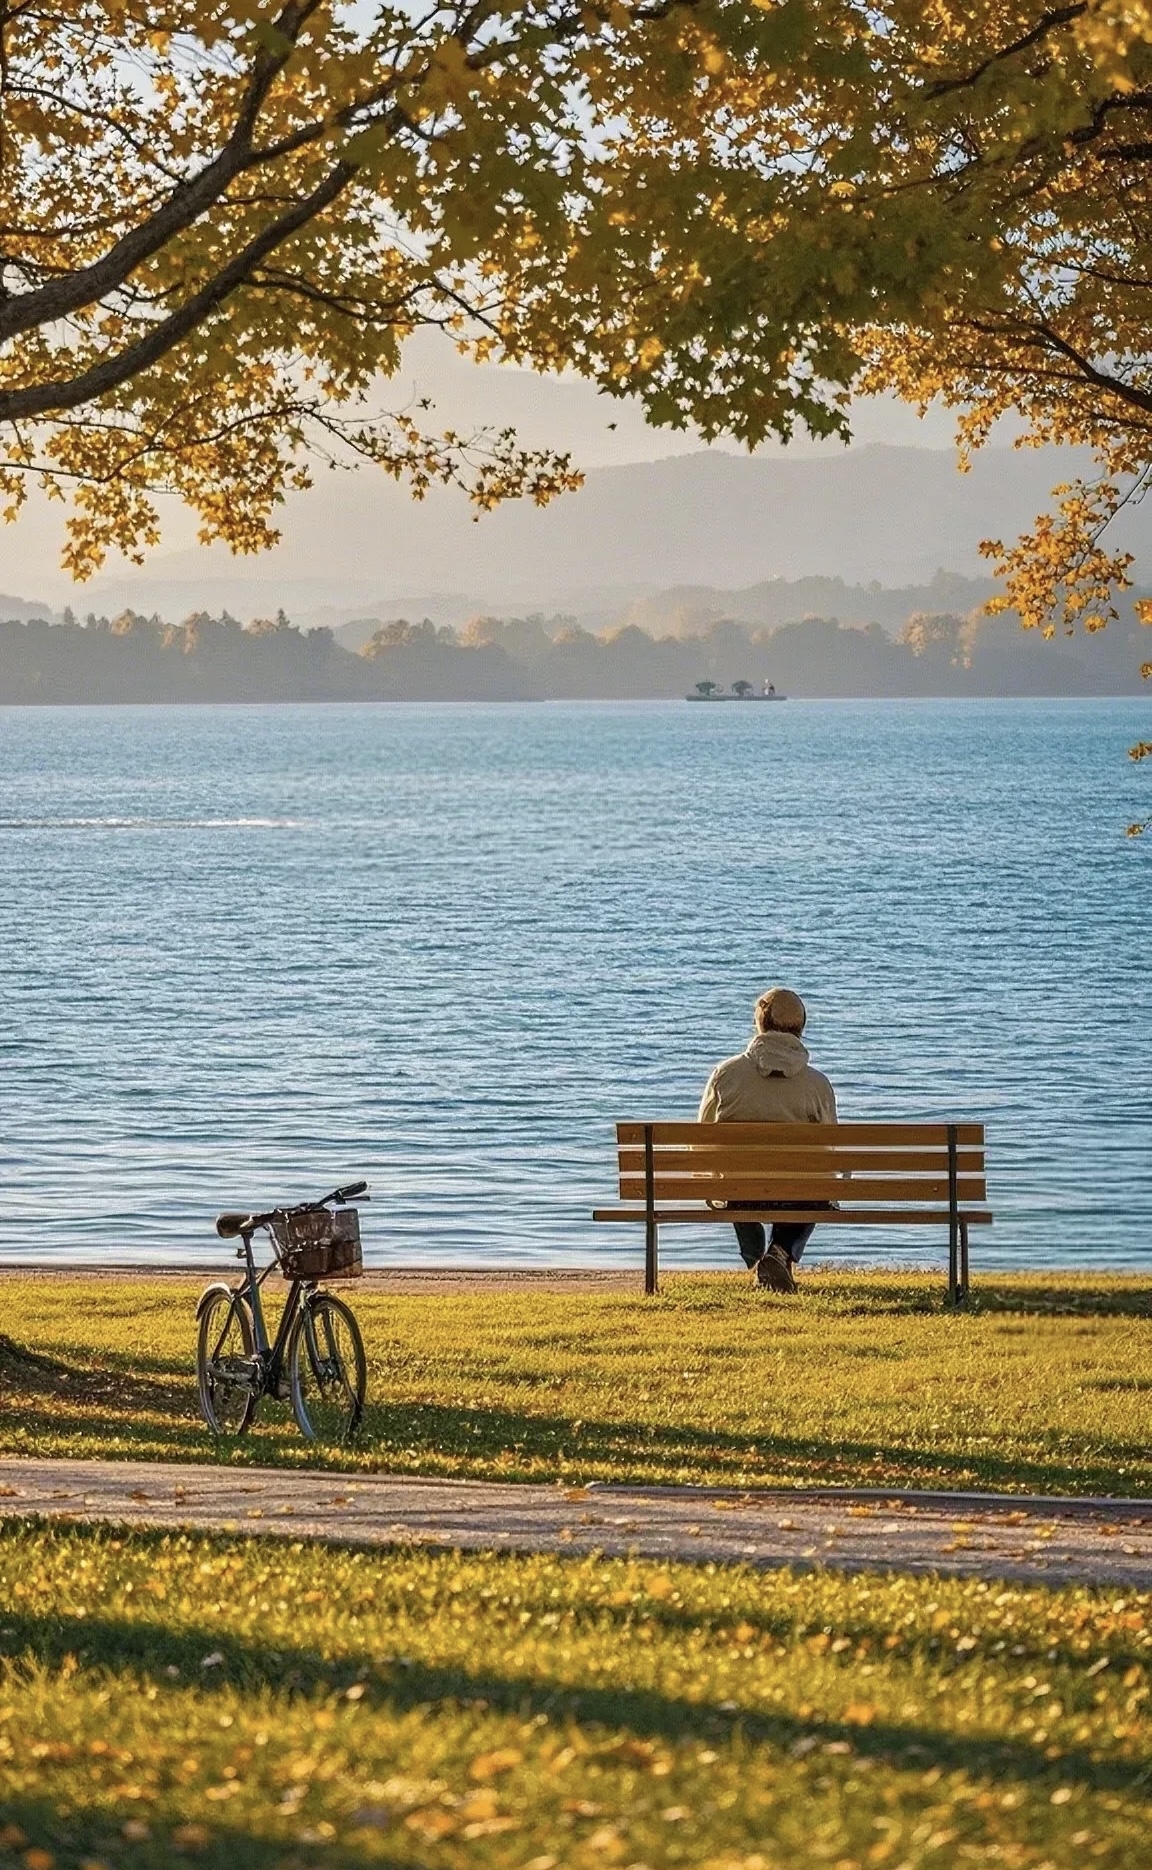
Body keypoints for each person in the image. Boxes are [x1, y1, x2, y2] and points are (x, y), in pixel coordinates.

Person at [698, 987, 837, 1293]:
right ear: (800, 1028)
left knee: (733, 1173)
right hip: (800, 1195)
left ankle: (758, 1253)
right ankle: (779, 1252)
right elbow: (830, 1150)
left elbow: (701, 1140)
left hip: (739, 1191)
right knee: (814, 1184)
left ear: (759, 1024)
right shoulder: (817, 1085)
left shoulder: (726, 1075)